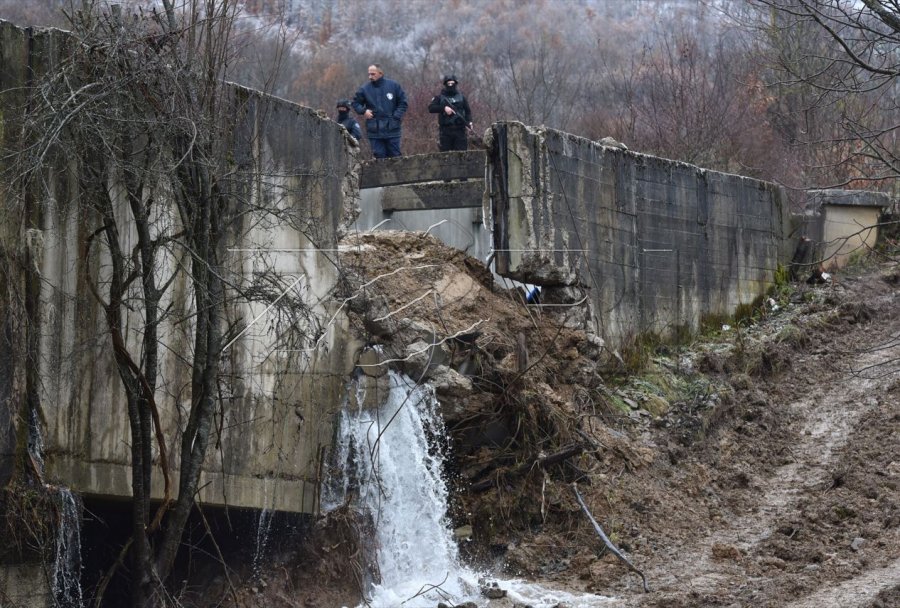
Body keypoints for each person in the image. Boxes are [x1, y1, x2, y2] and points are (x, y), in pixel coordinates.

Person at [351, 64, 408, 159]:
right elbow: (355, 103)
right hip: (374, 130)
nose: (370, 77)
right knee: (379, 157)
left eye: (373, 74)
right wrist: (364, 111)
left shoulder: (394, 86)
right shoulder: (365, 89)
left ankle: (396, 174)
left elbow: (403, 103)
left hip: (392, 129)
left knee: (395, 157)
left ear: (380, 73)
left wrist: (396, 116)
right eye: (369, 74)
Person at [427, 74, 473, 152]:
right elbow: (431, 108)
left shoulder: (462, 97)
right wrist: (444, 108)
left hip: (460, 130)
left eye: (452, 83)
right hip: (445, 131)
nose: (451, 85)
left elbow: (468, 111)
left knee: (462, 155)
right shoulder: (440, 97)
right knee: (445, 157)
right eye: (449, 84)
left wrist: (469, 122)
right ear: (445, 84)